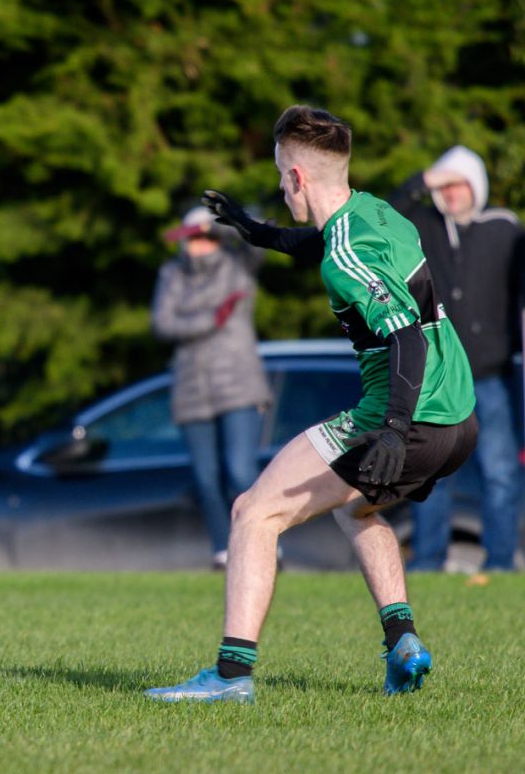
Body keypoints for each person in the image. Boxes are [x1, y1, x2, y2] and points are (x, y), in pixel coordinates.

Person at [146, 105, 478, 704]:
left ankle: (230, 675)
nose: (279, 185)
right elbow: (325, 240)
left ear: (297, 177)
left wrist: (394, 431)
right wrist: (258, 231)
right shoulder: (375, 211)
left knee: (253, 511)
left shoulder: (347, 257)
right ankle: (403, 643)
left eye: (281, 175)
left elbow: (402, 335)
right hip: (460, 419)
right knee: (355, 511)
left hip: (408, 415)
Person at [388, 146, 525, 572]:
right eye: (444, 186)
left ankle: (500, 562)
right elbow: (389, 215)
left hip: (490, 375)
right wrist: (426, 179)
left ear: (477, 187)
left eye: (459, 184)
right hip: (438, 377)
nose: (451, 193)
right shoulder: (424, 227)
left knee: (499, 471)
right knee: (431, 473)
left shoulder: (503, 229)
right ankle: (429, 561)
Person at [152, 206, 271, 570]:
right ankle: (223, 551)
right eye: (193, 239)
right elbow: (163, 324)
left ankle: (263, 544)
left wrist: (227, 223)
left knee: (239, 472)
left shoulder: (237, 266)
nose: (199, 246)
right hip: (191, 390)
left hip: (238, 387)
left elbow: (260, 238)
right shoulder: (172, 274)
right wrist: (212, 318)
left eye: (205, 237)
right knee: (206, 478)